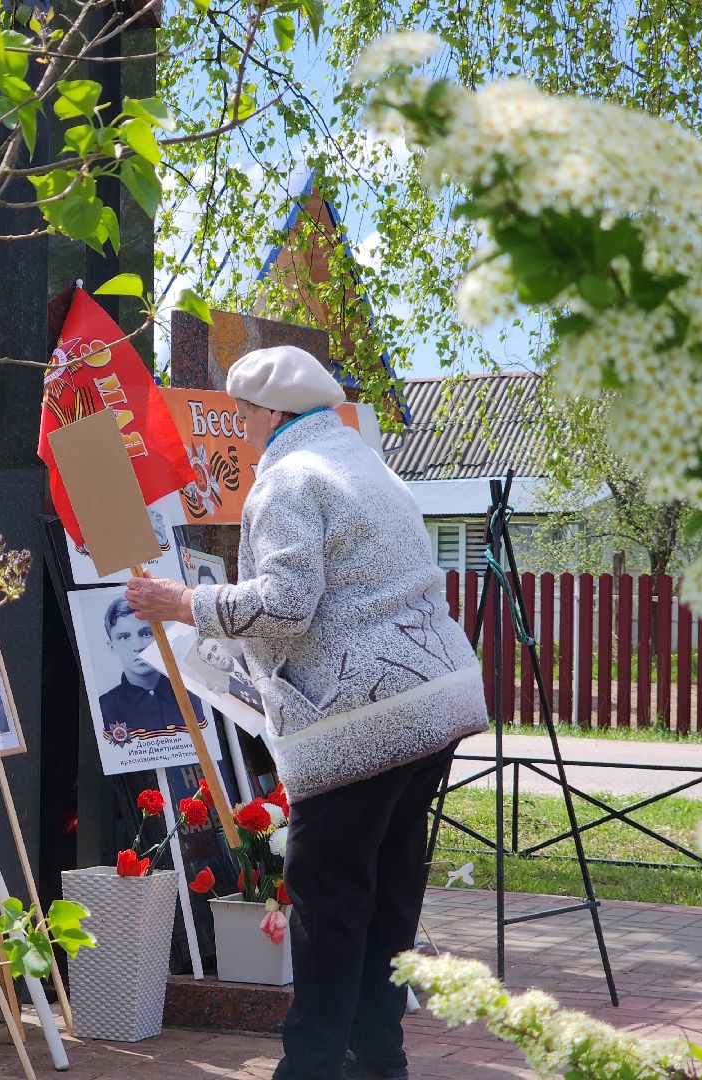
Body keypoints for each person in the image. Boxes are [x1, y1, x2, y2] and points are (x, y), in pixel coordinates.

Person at [125, 346, 488, 1080]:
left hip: (362, 721)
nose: (240, 426)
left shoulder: (288, 479)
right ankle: (376, 1058)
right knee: (388, 889)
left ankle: (311, 1066)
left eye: (244, 414)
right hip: (435, 704)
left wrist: (184, 603)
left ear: (269, 414)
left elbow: (287, 605)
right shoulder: (365, 467)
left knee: (326, 900)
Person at [96, 596, 204, 742]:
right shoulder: (104, 708)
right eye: (124, 637)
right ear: (112, 646)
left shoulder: (193, 696)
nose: (138, 646)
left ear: (160, 637)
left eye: (146, 633)